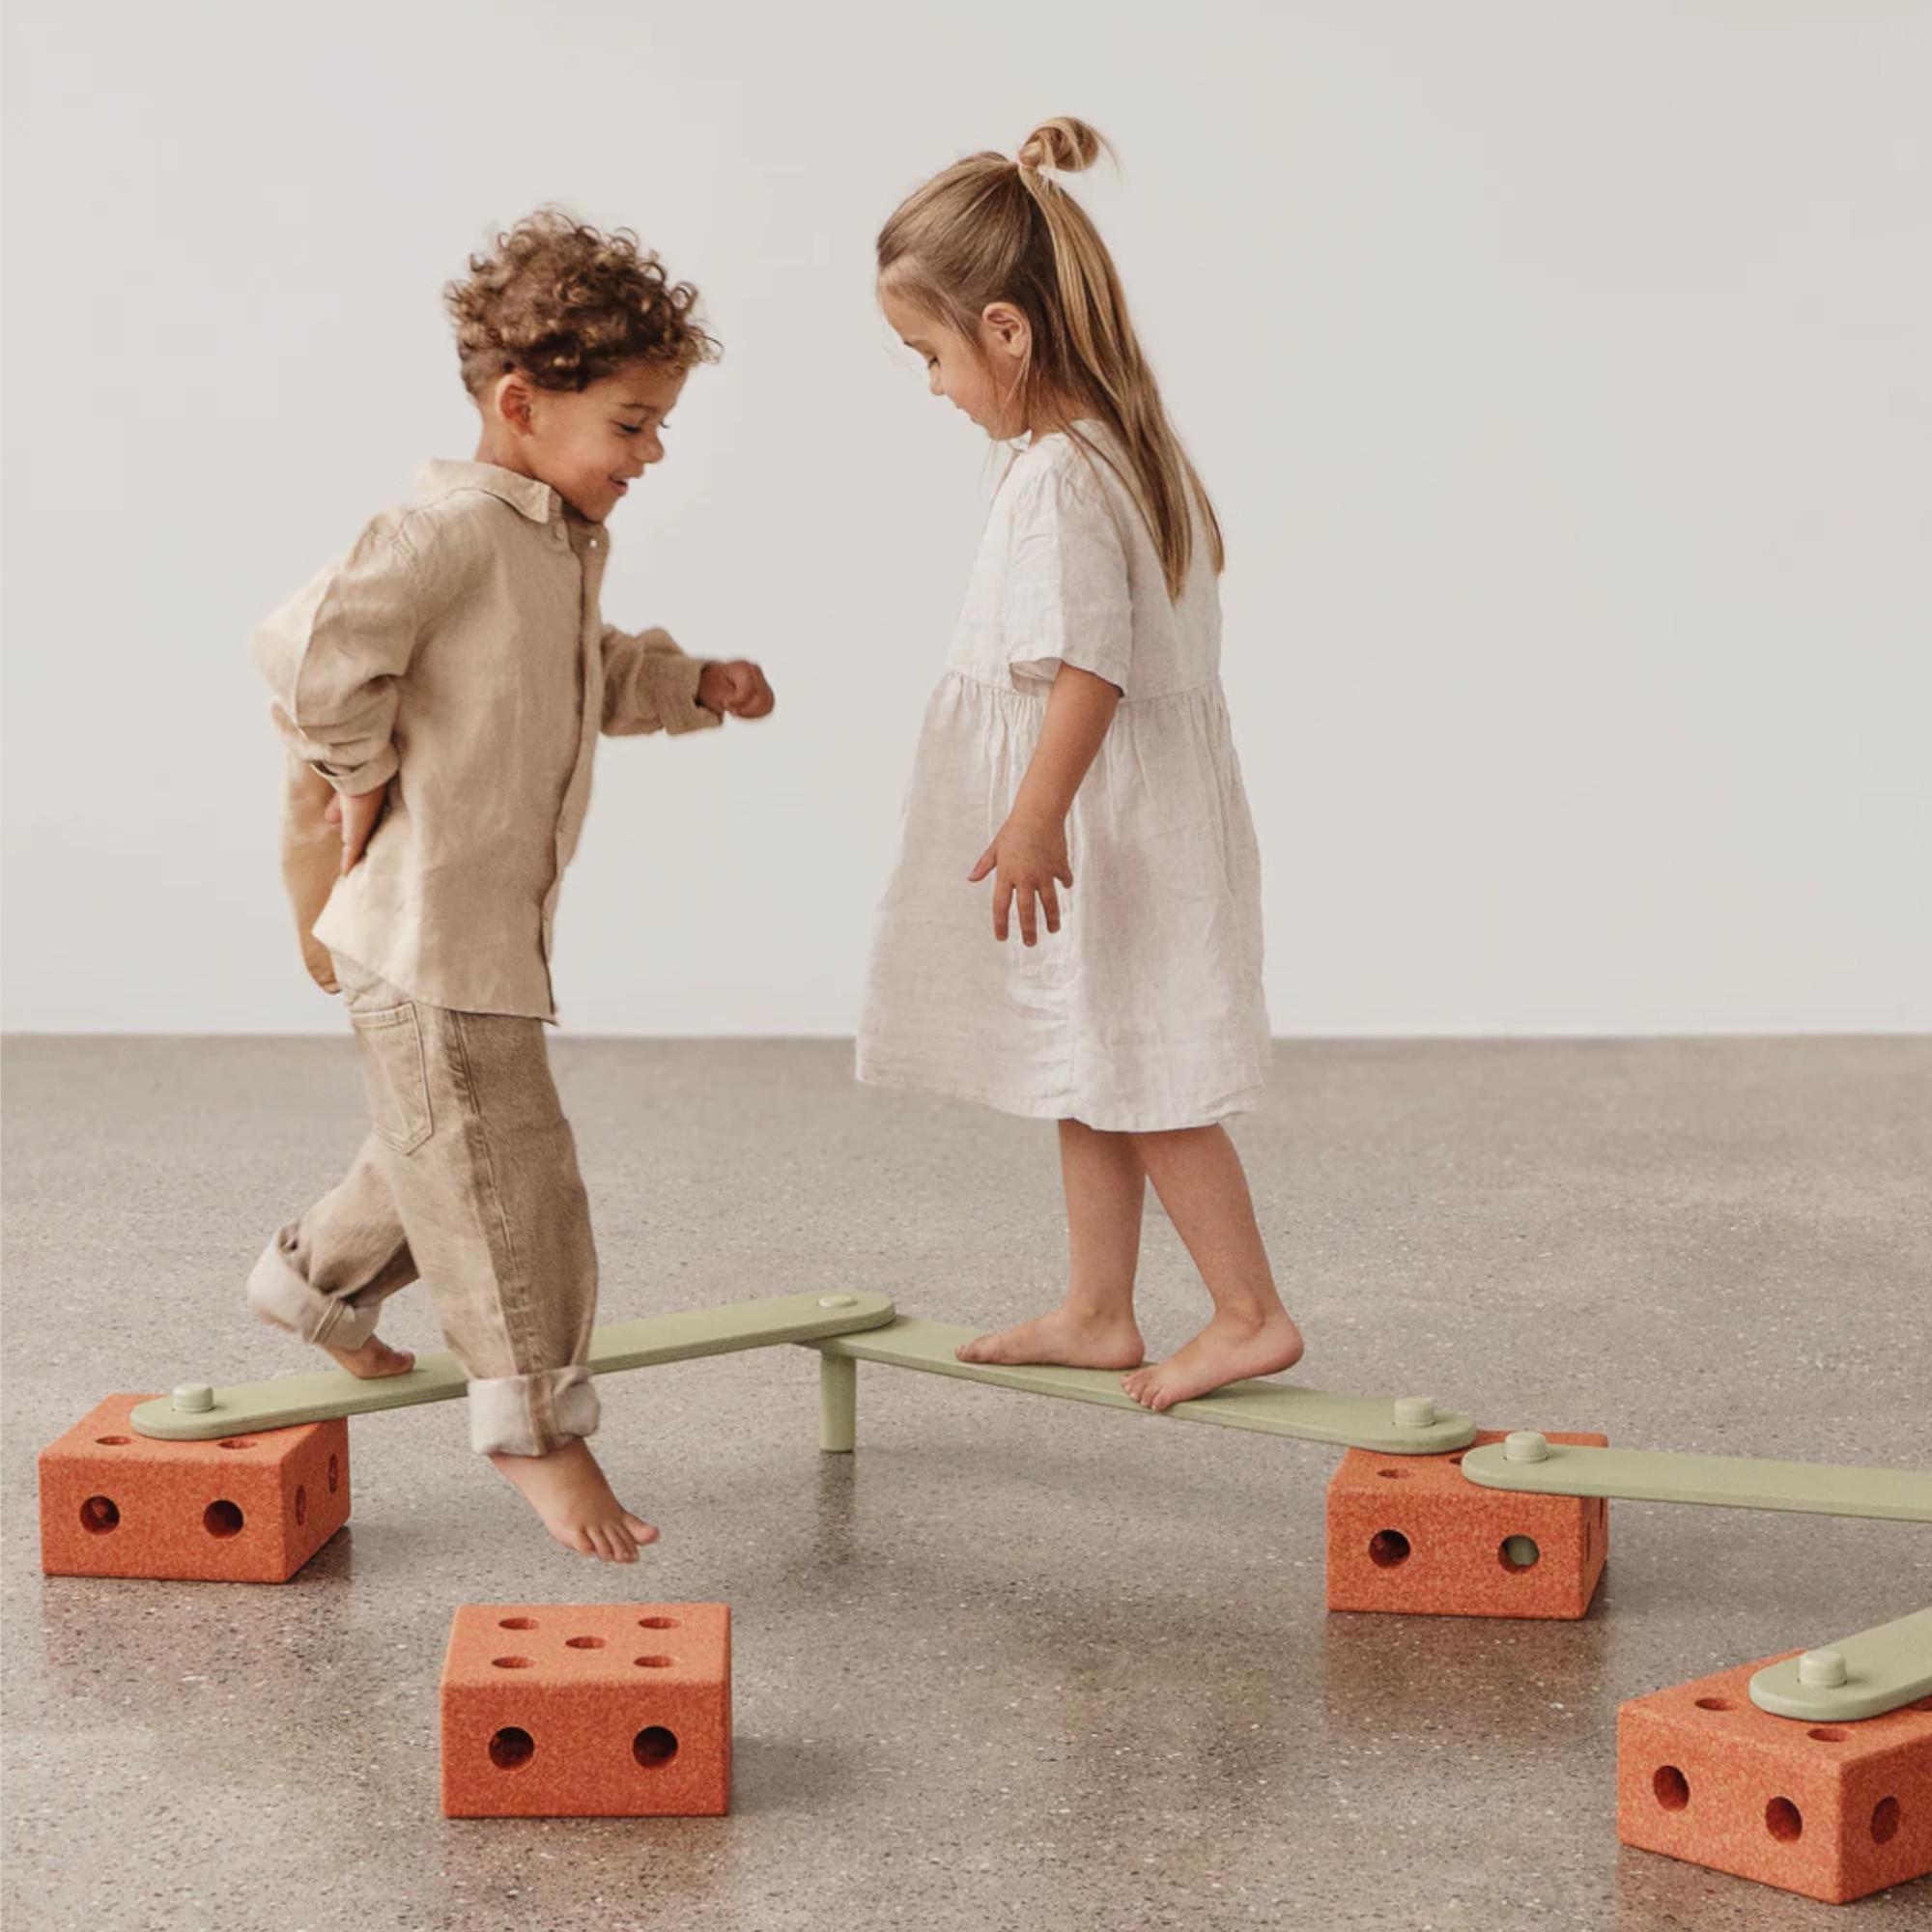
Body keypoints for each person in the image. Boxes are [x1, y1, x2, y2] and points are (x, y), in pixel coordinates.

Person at [247, 210, 774, 1561]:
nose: (650, 455)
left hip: (475, 935)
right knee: (509, 1181)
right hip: (427, 932)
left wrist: (690, 684)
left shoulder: (551, 542)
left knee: (439, 1146)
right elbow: (305, 653)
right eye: (632, 425)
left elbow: (581, 674)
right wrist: (357, 772)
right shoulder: (449, 531)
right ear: (521, 404)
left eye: (659, 426)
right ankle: (536, 1431)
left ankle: (312, 1291)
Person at [858, 119, 1303, 1411]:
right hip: (1138, 814)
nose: (933, 387)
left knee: (1150, 1076)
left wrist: (1035, 814)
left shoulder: (1057, 478)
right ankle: (1100, 1307)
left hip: (1102, 816)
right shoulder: (1121, 445)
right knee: (1092, 1058)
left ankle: (1249, 1313)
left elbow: (1089, 666)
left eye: (930, 355)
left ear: (1004, 331)